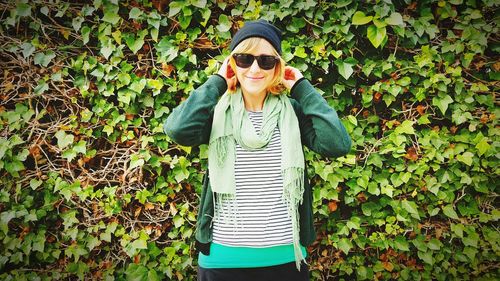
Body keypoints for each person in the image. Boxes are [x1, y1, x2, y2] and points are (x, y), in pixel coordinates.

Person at [164, 20, 351, 281]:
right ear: (232, 64)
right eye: (243, 59)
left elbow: (337, 144)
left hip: (286, 260)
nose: (254, 68)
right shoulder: (217, 114)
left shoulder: (293, 114)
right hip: (222, 261)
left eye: (265, 61)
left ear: (277, 67)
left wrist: (302, 88)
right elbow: (177, 129)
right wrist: (218, 81)